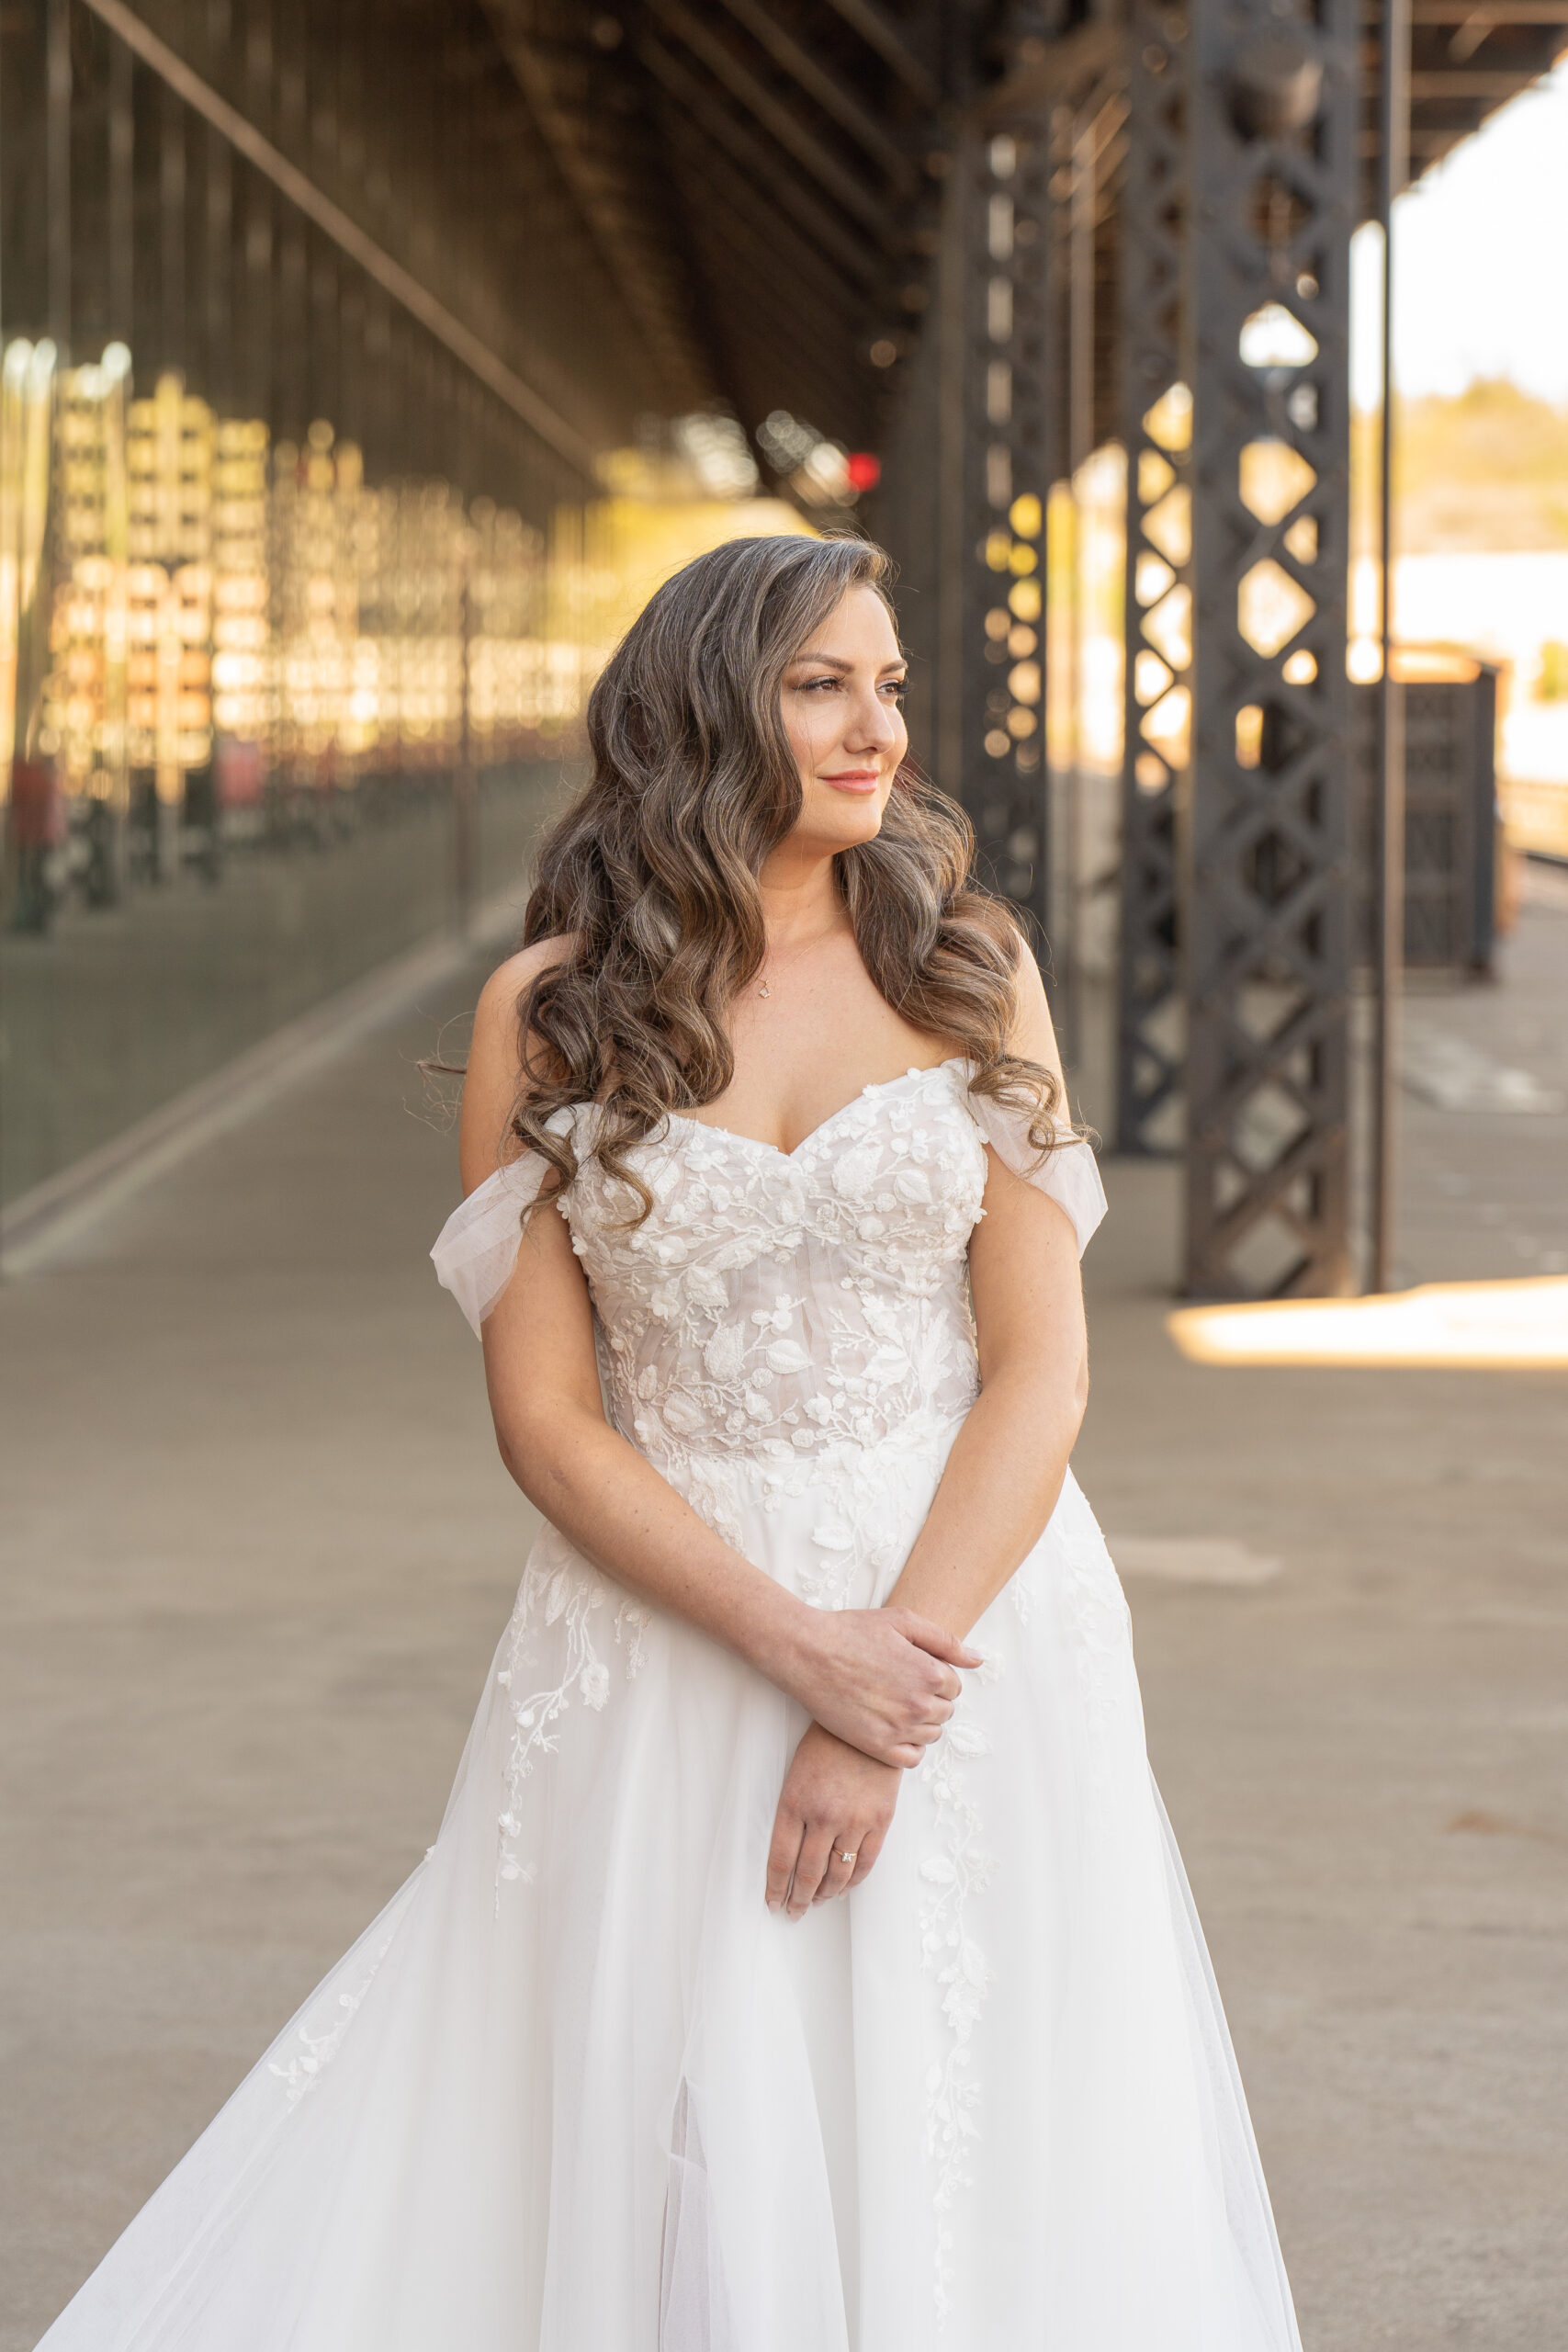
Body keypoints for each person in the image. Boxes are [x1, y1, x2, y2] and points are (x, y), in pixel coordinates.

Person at [38, 536, 1302, 2351]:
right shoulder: (545, 1014)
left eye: (886, 682)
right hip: (669, 1626)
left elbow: (1039, 1371)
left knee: (967, 2084)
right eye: (817, 685)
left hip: (969, 1617)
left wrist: (888, 1689)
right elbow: (545, 1423)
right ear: (706, 709)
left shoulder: (967, 969)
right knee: (681, 2100)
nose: (874, 725)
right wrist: (799, 1652)